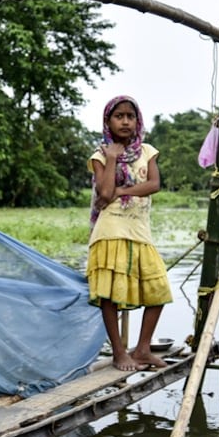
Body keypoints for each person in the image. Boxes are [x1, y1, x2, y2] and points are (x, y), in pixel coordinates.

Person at [87, 95, 173, 371]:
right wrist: (112, 158)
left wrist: (123, 190)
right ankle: (120, 353)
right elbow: (104, 192)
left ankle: (143, 348)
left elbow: (154, 184)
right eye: (119, 116)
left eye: (130, 116)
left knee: (158, 289)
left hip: (139, 231)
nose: (125, 121)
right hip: (110, 231)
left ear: (138, 121)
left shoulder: (147, 151)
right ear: (108, 121)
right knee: (110, 296)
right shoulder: (101, 155)